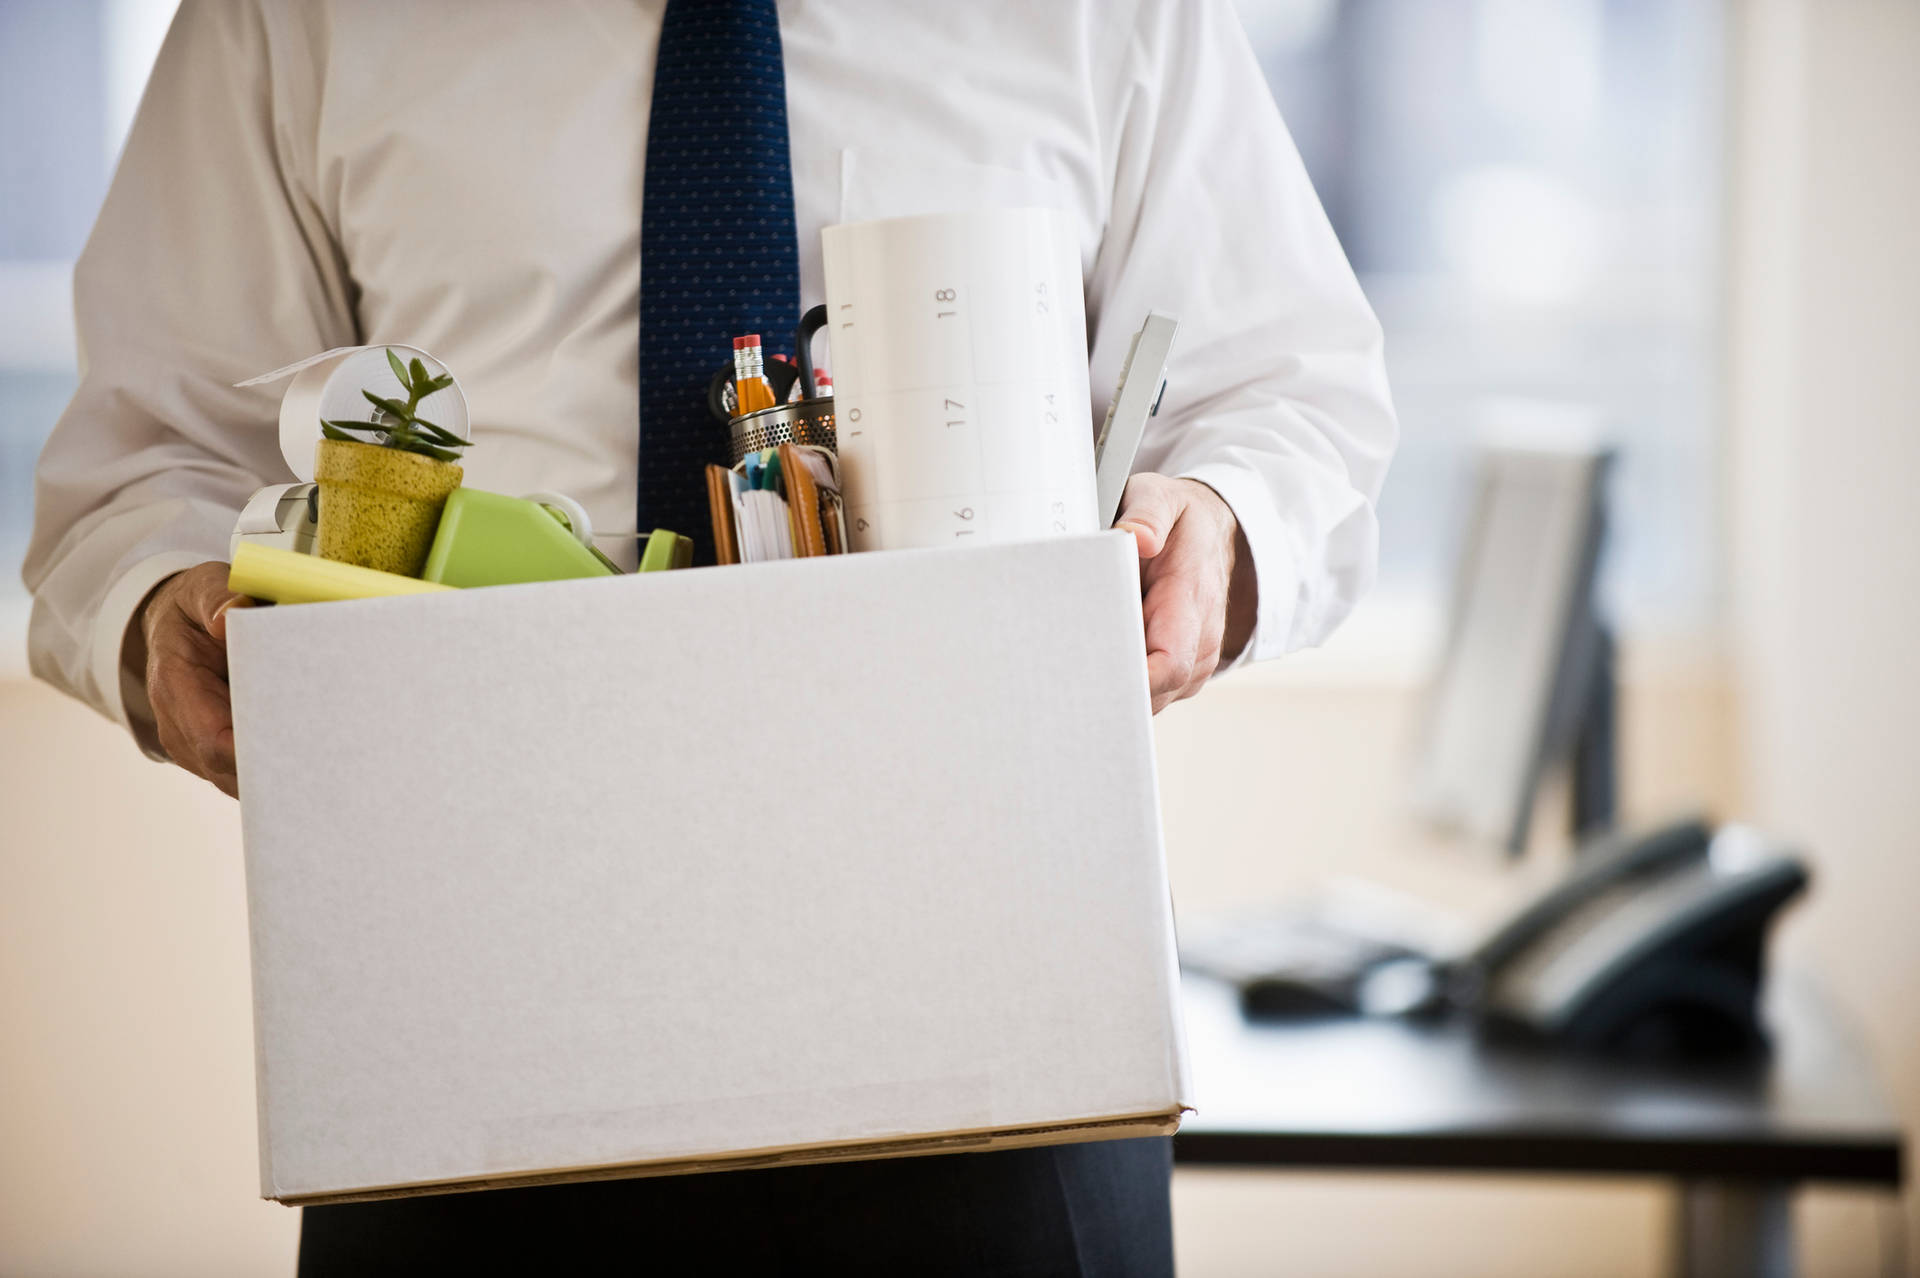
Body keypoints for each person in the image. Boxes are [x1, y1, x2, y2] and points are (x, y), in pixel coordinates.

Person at [24, 1, 1396, 1273]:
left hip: (1003, 1009)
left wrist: (1223, 517)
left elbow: (1289, 391)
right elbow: (151, 459)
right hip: (467, 1023)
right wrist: (163, 606)